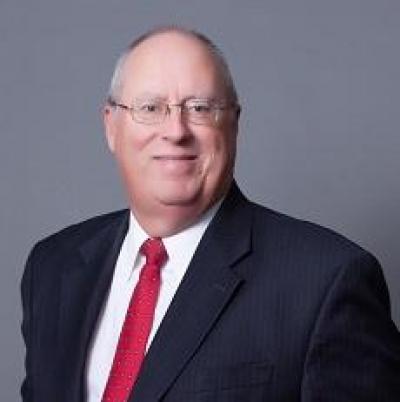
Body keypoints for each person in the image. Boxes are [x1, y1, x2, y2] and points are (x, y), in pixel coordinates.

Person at [21, 26, 400, 402]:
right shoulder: (54, 267)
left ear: (233, 123)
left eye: (200, 109)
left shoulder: (326, 280)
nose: (175, 131)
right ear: (111, 126)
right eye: (150, 108)